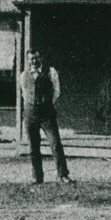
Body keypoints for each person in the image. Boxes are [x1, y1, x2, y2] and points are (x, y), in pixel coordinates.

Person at [20, 49, 72, 185]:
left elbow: (57, 91)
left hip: (47, 113)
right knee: (33, 146)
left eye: (36, 58)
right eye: (31, 59)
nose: (34, 61)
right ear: (28, 60)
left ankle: (62, 175)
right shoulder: (24, 75)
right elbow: (24, 93)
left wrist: (46, 103)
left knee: (55, 143)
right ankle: (37, 177)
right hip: (30, 113)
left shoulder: (51, 72)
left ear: (41, 58)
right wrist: (32, 105)